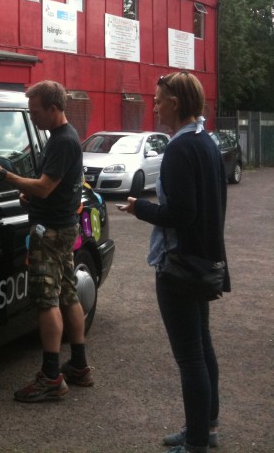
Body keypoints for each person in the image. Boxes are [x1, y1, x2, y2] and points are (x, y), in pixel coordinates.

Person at [116, 71, 229, 453]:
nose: (154, 105)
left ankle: (196, 441)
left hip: (180, 266)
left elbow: (181, 213)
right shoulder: (206, 142)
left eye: (158, 99)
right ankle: (206, 427)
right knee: (203, 347)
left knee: (191, 356)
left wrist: (140, 208)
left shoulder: (181, 149)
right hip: (203, 262)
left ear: (175, 103)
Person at [0, 80, 91, 402]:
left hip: (51, 232)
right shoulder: (63, 138)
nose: (32, 118)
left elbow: (44, 186)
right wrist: (33, 196)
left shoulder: (61, 142)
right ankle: (79, 365)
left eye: (36, 112)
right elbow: (52, 188)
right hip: (62, 226)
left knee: (47, 301)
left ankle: (51, 377)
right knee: (69, 293)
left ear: (54, 109)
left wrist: (2, 174)